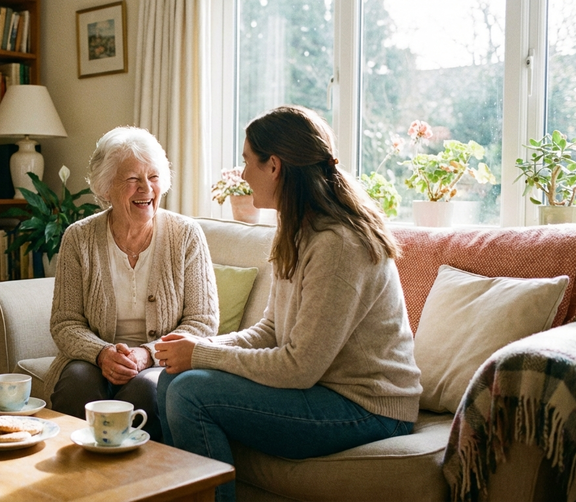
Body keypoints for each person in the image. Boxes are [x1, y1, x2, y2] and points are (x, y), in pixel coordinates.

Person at [154, 105, 422, 501]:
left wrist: (204, 357)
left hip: (368, 408)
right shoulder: (297, 229)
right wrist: (197, 349)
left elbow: (299, 367)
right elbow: (272, 330)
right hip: (325, 391)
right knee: (172, 379)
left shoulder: (338, 244)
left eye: (247, 161)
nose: (242, 174)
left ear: (274, 166)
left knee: (189, 391)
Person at [44, 126, 219, 442]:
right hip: (94, 360)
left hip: (159, 364)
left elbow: (203, 323)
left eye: (153, 177)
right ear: (105, 187)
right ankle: (70, 482)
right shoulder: (78, 238)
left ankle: (134, 487)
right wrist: (102, 354)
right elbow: (65, 323)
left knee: (146, 389)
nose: (146, 189)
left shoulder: (186, 235)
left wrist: (146, 354)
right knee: (77, 384)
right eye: (132, 179)